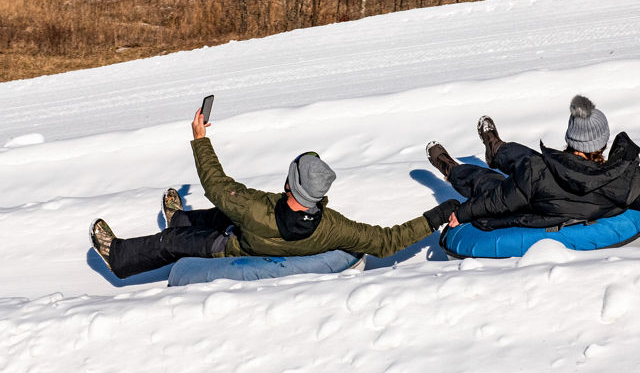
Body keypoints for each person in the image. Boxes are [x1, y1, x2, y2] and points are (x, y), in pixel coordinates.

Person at [89, 108, 458, 279]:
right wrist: (437, 216)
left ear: (289, 185)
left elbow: (216, 185)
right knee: (223, 214)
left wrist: (200, 139)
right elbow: (386, 240)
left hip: (237, 247)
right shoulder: (331, 227)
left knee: (174, 240)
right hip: (256, 235)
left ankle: (119, 257)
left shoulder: (256, 208)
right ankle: (183, 217)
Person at [424, 95, 640, 231]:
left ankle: (452, 166)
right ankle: (496, 148)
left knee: (486, 182)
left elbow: (498, 201)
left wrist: (462, 213)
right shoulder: (626, 179)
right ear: (601, 144)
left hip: (538, 203)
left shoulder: (538, 172)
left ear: (571, 139)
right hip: (550, 189)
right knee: (526, 159)